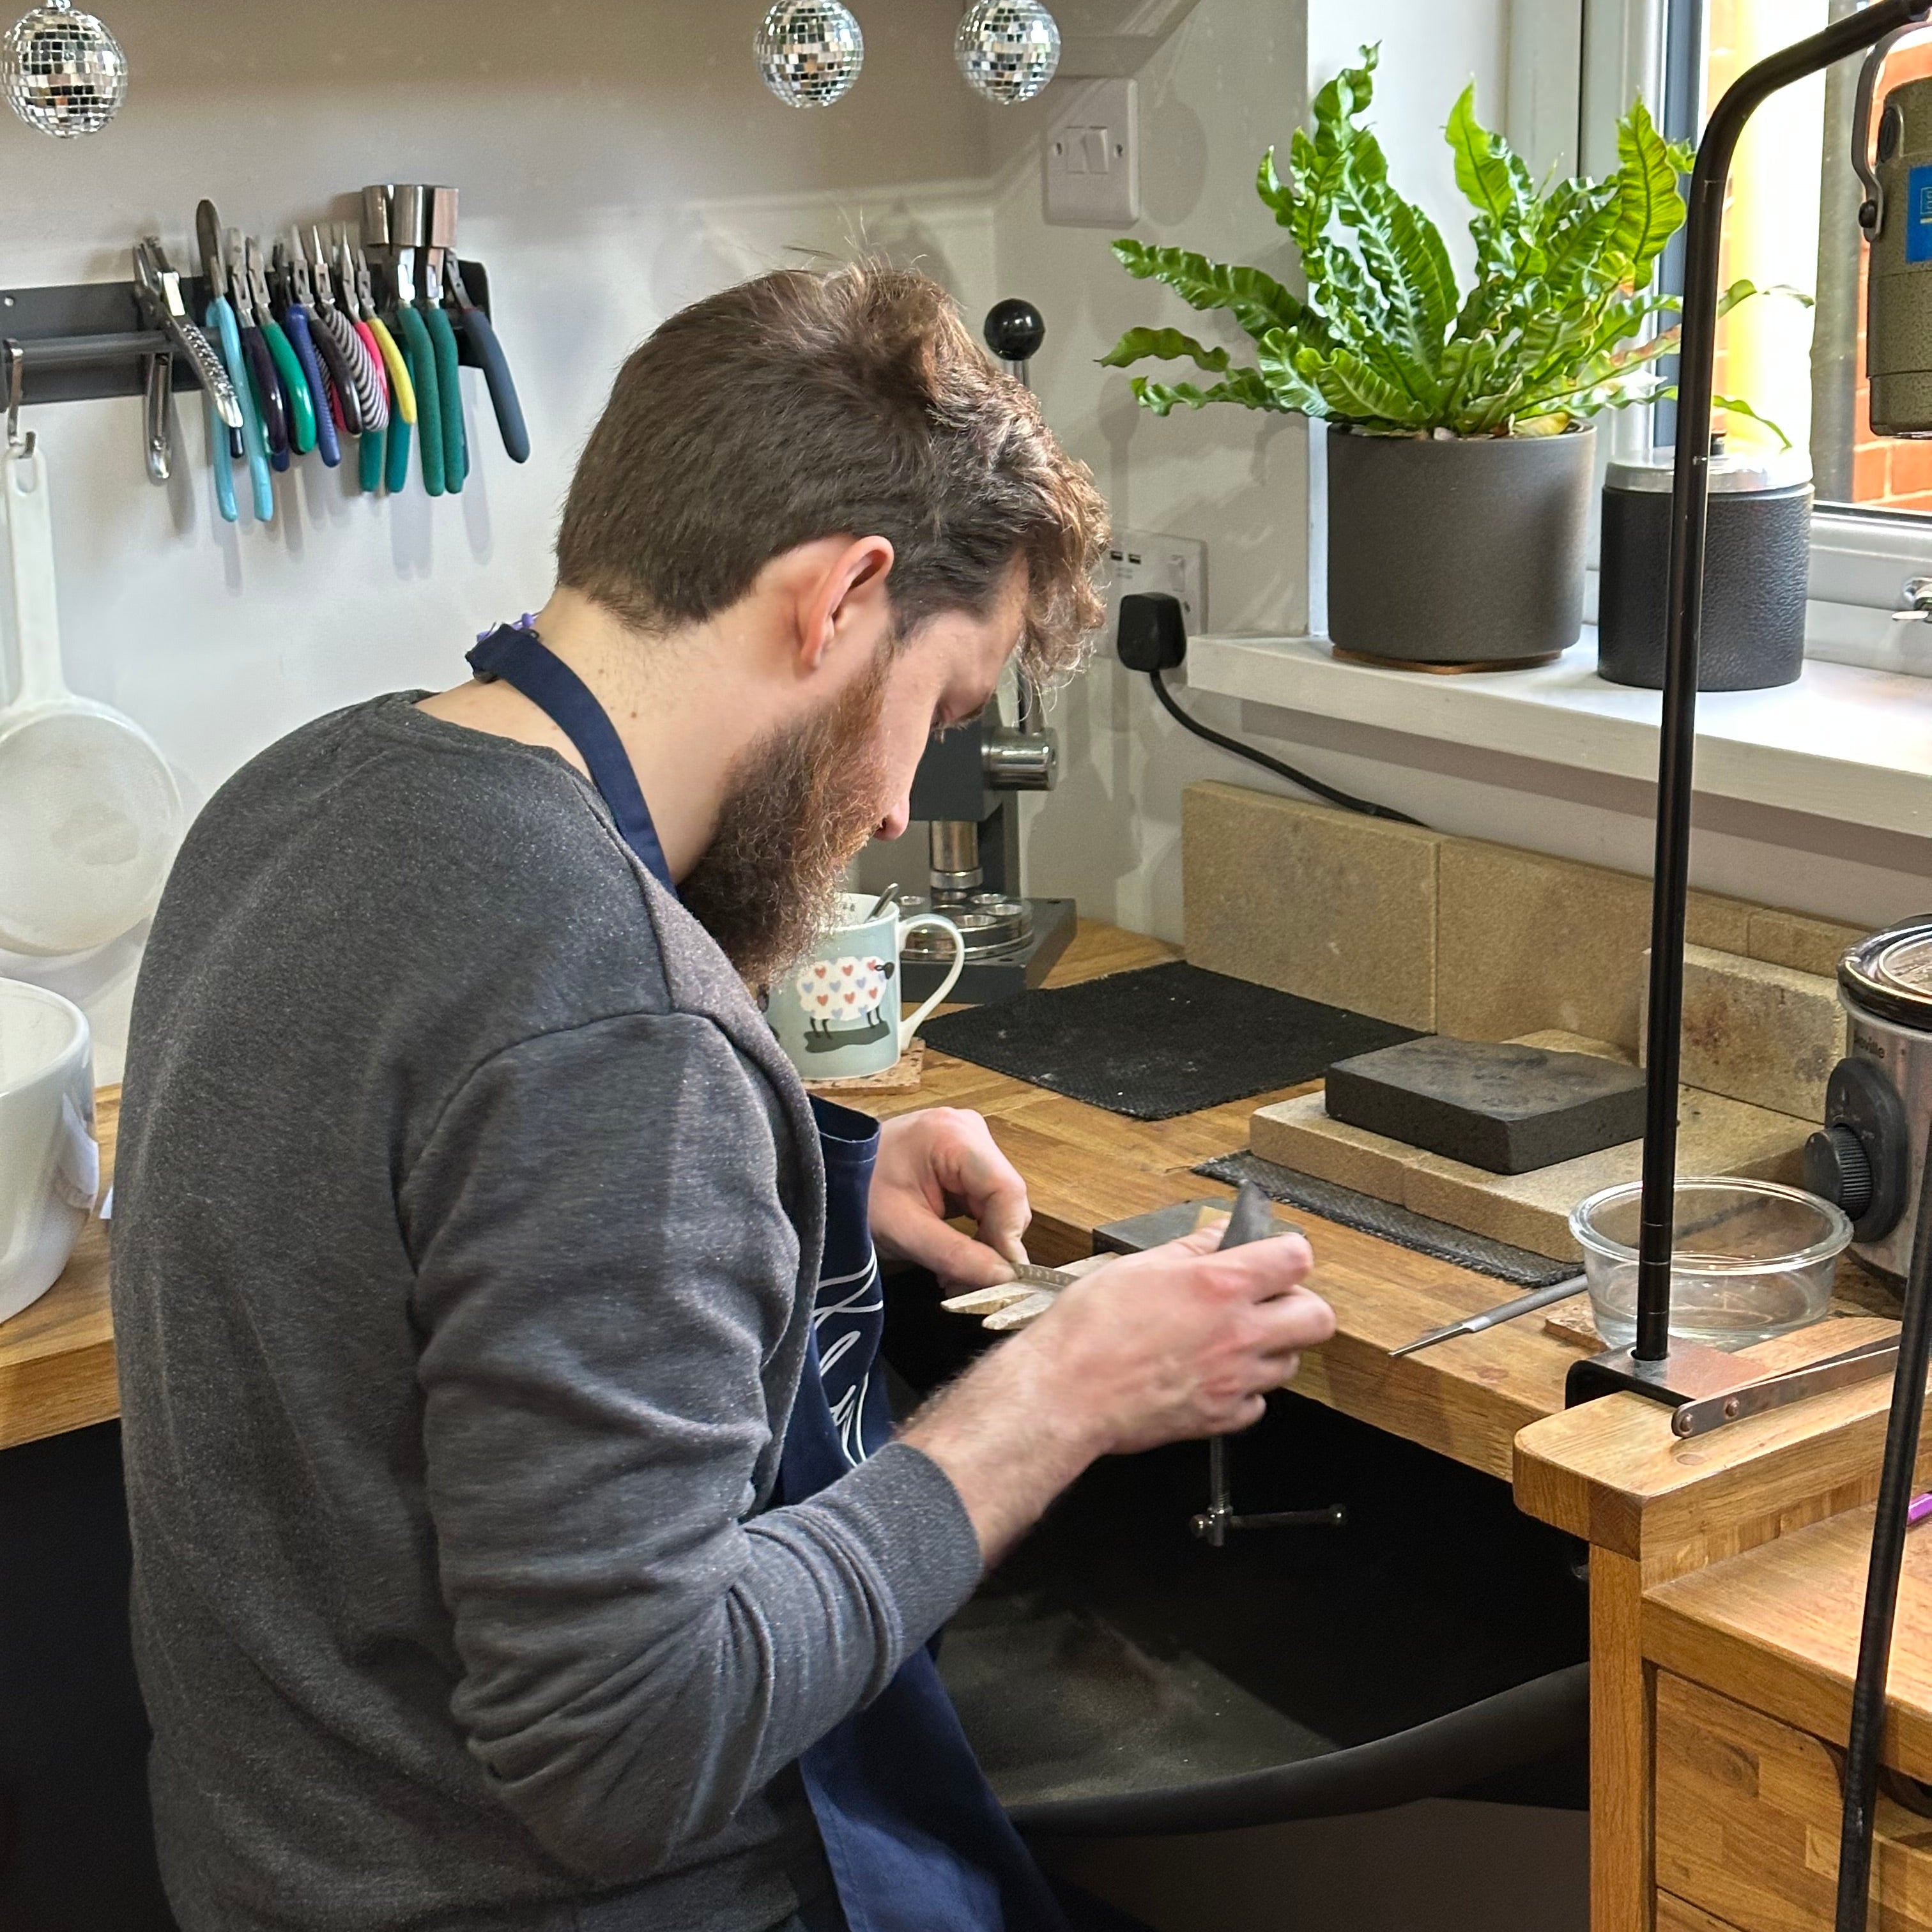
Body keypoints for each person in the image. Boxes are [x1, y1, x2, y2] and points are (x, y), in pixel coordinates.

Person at [110, 262, 1335, 1932]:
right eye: (943, 708)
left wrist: (806, 1181)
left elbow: (412, 1237)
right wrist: (1061, 1393)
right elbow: (627, 1749)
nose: (906, 800)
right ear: (838, 599)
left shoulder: (301, 799)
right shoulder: (617, 1019)